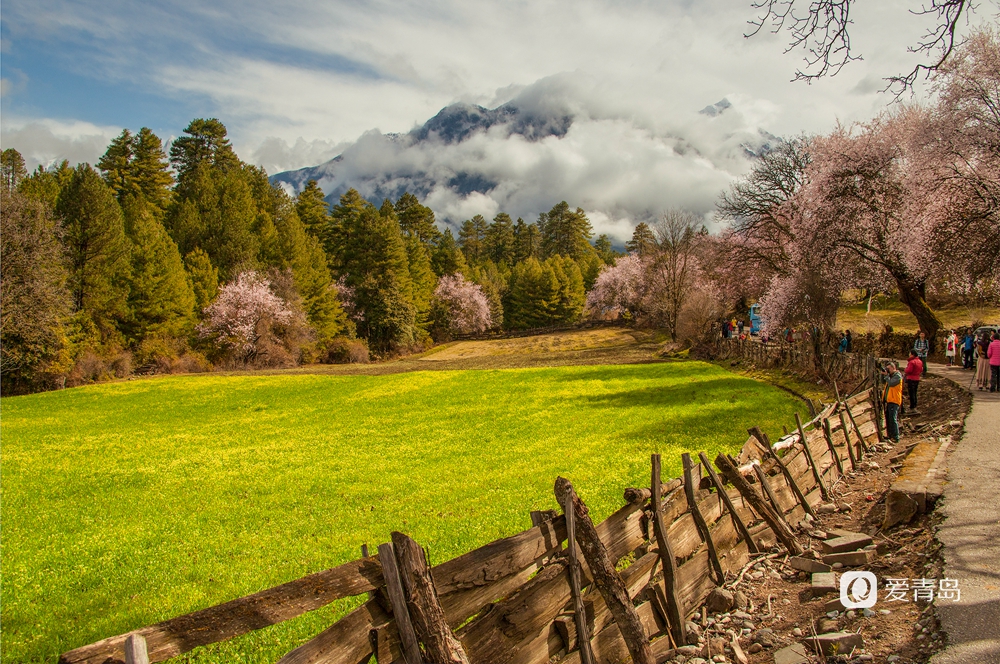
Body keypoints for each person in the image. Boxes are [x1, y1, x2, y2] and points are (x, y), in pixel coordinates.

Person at [883, 361, 903, 443]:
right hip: (890, 400)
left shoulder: (897, 376)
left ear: (893, 368)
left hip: (894, 401)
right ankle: (890, 435)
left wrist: (887, 376)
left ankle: (896, 436)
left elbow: (891, 384)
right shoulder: (891, 376)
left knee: (893, 418)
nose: (888, 370)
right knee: (889, 418)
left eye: (888, 369)